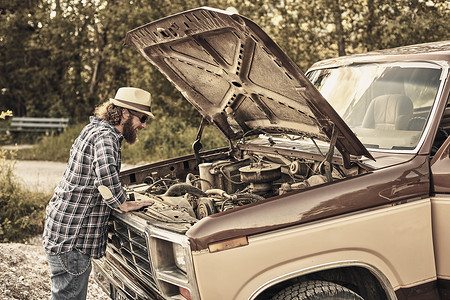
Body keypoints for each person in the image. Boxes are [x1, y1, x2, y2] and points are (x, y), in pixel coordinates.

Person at [42, 87, 155, 299]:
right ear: (124, 114)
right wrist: (124, 204)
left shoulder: (94, 129)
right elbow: (105, 177)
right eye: (142, 118)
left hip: (63, 232)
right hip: (73, 241)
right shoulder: (106, 137)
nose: (144, 125)